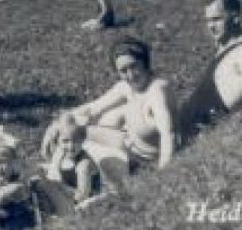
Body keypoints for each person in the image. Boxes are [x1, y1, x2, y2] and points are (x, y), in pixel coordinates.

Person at [51, 37, 175, 174]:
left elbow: (168, 133)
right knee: (77, 127)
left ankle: (67, 172)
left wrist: (164, 172)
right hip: (129, 145)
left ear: (145, 63)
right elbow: (92, 109)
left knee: (77, 135)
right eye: (123, 71)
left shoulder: (157, 90)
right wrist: (57, 124)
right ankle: (57, 168)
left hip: (144, 159)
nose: (131, 75)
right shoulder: (126, 87)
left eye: (134, 66)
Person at [178, 0, 242, 141]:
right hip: (185, 126)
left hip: (192, 132)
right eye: (208, 21)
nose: (211, 27)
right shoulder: (224, 48)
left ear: (235, 17)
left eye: (216, 19)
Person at [41, 113, 101, 206]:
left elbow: (83, 195)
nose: (71, 146)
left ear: (82, 140)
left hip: (87, 201)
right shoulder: (61, 153)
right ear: (58, 142)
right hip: (70, 193)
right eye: (65, 141)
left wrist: (60, 190)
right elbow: (47, 155)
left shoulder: (84, 165)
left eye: (76, 140)